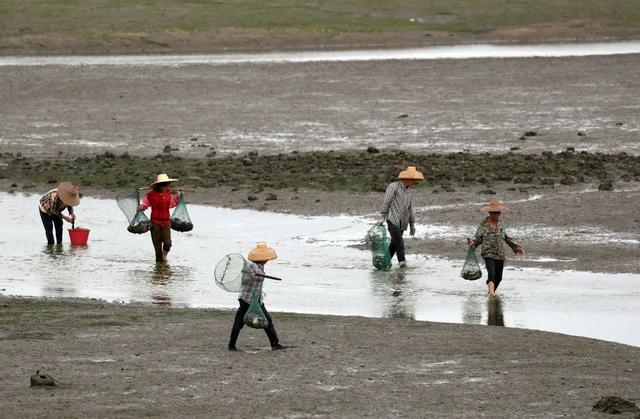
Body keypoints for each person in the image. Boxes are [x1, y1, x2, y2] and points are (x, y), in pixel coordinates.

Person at [228, 242, 287, 351]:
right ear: (262, 257)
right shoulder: (250, 266)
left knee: (267, 320)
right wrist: (250, 277)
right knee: (239, 322)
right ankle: (231, 345)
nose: (267, 260)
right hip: (247, 299)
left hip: (257, 299)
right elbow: (243, 281)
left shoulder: (260, 267)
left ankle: (275, 344)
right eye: (266, 258)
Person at [468, 200, 525, 296]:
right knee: (492, 274)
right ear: (490, 213)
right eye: (494, 213)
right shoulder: (483, 225)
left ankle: (491, 292)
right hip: (488, 252)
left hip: (499, 253)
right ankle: (491, 293)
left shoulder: (501, 224)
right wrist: (472, 243)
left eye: (498, 213)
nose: (496, 215)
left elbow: (506, 238)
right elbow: (478, 239)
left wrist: (516, 247)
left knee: (499, 278)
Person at [376, 166, 424, 267]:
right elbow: (387, 201)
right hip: (393, 220)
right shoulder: (393, 187)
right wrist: (382, 217)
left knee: (394, 244)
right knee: (400, 243)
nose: (414, 182)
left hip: (403, 223)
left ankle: (384, 262)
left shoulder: (409, 193)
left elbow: (410, 209)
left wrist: (412, 225)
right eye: (413, 180)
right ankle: (402, 263)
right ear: (408, 179)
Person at [138, 174, 182, 263]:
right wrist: (142, 207)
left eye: (167, 184)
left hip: (166, 223)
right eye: (163, 185)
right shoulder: (151, 195)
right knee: (158, 252)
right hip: (154, 223)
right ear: (159, 185)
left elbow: (171, 204)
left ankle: (164, 256)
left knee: (168, 243)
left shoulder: (168, 194)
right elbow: (146, 204)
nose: (166, 187)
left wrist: (178, 196)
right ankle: (159, 272)